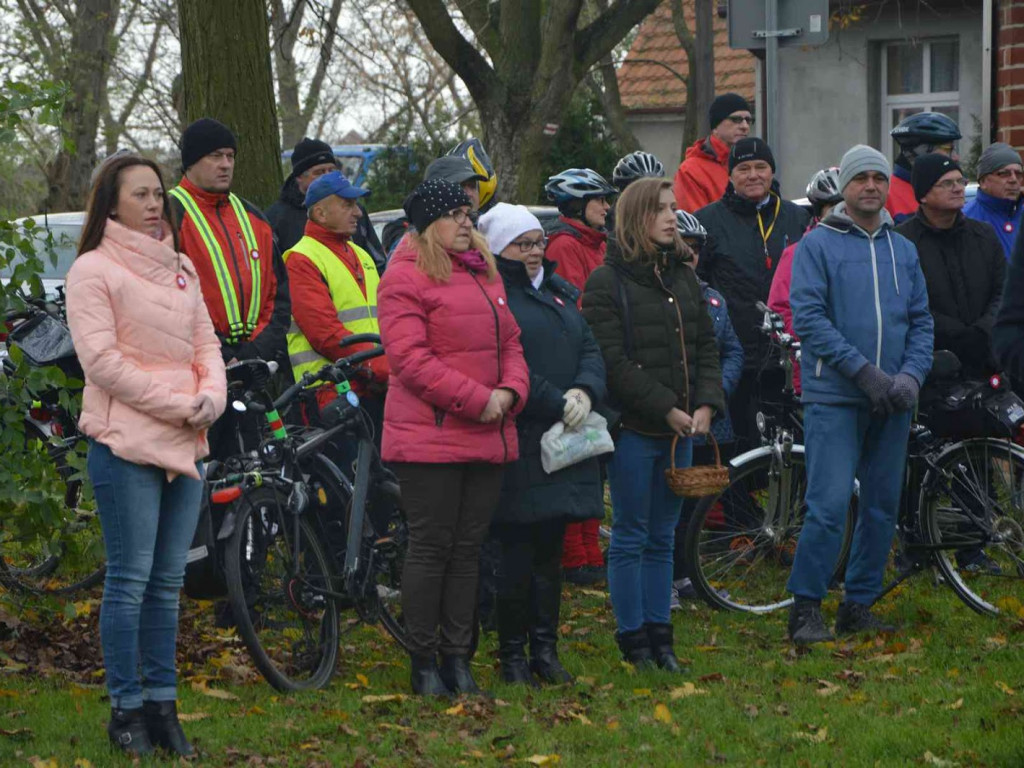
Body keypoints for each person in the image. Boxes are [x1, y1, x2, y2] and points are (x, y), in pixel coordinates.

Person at [65, 155, 227, 757]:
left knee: (167, 585)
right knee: (129, 584)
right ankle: (125, 711)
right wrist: (175, 404)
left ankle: (164, 708)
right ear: (111, 205)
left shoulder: (183, 268)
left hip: (187, 439)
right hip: (127, 445)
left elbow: (206, 344)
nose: (155, 203)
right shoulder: (92, 270)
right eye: (141, 195)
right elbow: (101, 362)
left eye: (158, 193)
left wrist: (210, 397)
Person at [377, 179, 530, 696]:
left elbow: (511, 341)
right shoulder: (404, 277)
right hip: (431, 439)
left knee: (467, 551)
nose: (467, 222)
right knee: (431, 548)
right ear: (426, 226)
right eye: (454, 215)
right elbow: (410, 361)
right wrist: (478, 399)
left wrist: (511, 390)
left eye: (468, 214)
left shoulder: (483, 274)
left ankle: (458, 660)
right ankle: (424, 665)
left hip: (488, 430)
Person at [786, 145, 933, 644]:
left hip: (894, 399)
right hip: (834, 396)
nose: (871, 185)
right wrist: (864, 372)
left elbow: (920, 322)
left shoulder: (904, 248)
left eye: (879, 177)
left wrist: (910, 376)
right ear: (844, 187)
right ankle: (805, 607)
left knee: (882, 506)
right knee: (828, 505)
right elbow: (809, 320)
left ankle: (858, 604)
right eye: (861, 178)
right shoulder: (816, 245)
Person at [583, 178, 725, 671]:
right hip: (635, 433)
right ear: (636, 217)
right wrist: (666, 406)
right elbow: (612, 362)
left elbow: (707, 347)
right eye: (660, 209)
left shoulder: (683, 275)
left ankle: (662, 640)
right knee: (631, 534)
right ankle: (633, 640)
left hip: (680, 433)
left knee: (664, 536)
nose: (671, 217)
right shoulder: (606, 282)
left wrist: (707, 403)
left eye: (673, 207)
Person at [478, 203, 607, 686]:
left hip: (564, 439)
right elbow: (501, 361)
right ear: (497, 248)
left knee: (549, 555)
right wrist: (556, 401)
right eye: (522, 244)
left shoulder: (556, 292)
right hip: (521, 437)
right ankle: (512, 657)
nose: (534, 253)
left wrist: (586, 390)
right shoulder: (495, 296)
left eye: (537, 243)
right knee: (516, 555)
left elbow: (589, 347)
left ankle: (545, 652)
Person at [168, 118, 290, 458]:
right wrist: (217, 352)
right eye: (215, 156)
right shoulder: (170, 215)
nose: (225, 164)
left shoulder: (253, 217)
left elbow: (278, 296)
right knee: (205, 476)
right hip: (195, 374)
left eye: (230, 156)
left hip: (252, 369)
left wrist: (254, 351)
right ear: (191, 162)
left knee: (253, 469)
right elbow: (164, 301)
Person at [695, 137, 811, 451]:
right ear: (730, 175)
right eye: (743, 168)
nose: (753, 175)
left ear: (772, 172)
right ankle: (738, 502)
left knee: (790, 444)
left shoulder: (797, 217)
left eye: (761, 167)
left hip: (788, 357)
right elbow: (697, 286)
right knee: (740, 446)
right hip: (737, 356)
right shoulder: (706, 221)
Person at [671, 210, 743, 605]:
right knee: (666, 503)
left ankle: (687, 574)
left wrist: (715, 396)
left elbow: (732, 351)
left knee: (696, 506)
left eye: (695, 250)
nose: (690, 256)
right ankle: (663, 577)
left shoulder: (714, 298)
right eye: (683, 247)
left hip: (712, 419)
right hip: (669, 417)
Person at [283, 170, 390, 420]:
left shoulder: (361, 255)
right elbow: (326, 334)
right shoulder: (301, 258)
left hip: (373, 388)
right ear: (320, 213)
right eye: (348, 205)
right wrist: (379, 367)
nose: (358, 213)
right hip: (329, 394)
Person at [895, 154, 1006, 379]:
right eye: (947, 183)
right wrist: (957, 335)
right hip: (933, 368)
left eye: (960, 181)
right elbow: (903, 302)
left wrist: (982, 331)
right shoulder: (901, 242)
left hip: (988, 361)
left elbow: (1003, 290)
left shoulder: (984, 234)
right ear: (923, 195)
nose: (957, 189)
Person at [768, 167, 845, 394]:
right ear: (819, 212)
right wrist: (822, 340)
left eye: (848, 206)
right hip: (817, 374)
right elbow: (780, 312)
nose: (843, 213)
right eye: (835, 207)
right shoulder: (797, 253)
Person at [266, 137, 386, 267]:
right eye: (319, 172)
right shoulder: (277, 218)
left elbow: (378, 262)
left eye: (331, 170)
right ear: (299, 177)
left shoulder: (356, 211)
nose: (327, 177)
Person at [380, 155, 488, 257]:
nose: (469, 193)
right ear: (434, 190)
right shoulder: (403, 230)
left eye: (473, 186)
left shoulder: (489, 223)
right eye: (461, 186)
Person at [673, 93, 752, 212]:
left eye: (748, 120)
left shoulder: (753, 163)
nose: (745, 126)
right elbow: (694, 223)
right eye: (736, 120)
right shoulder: (691, 171)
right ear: (715, 126)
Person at [886, 111, 962, 223]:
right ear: (920, 152)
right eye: (948, 149)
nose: (956, 157)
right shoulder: (887, 196)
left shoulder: (952, 191)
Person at [963, 142, 1024, 260]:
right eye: (1004, 174)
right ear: (983, 181)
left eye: (1018, 174)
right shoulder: (965, 218)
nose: (1013, 179)